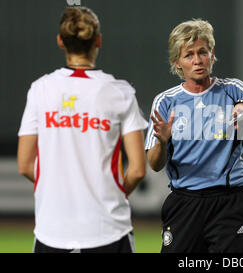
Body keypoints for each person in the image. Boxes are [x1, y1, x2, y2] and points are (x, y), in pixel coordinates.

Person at [17, 6, 148, 253]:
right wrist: (113, 193)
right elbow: (138, 170)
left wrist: (60, 187)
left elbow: (25, 164)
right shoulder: (120, 92)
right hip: (109, 230)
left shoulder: (40, 90)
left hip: (52, 231)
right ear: (98, 40)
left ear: (60, 41)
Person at [145, 19, 243, 253]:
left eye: (202, 52)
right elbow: (154, 164)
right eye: (189, 55)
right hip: (184, 202)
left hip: (230, 202)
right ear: (177, 63)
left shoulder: (233, 90)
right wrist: (162, 142)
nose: (197, 60)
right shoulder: (165, 102)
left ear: (212, 55)